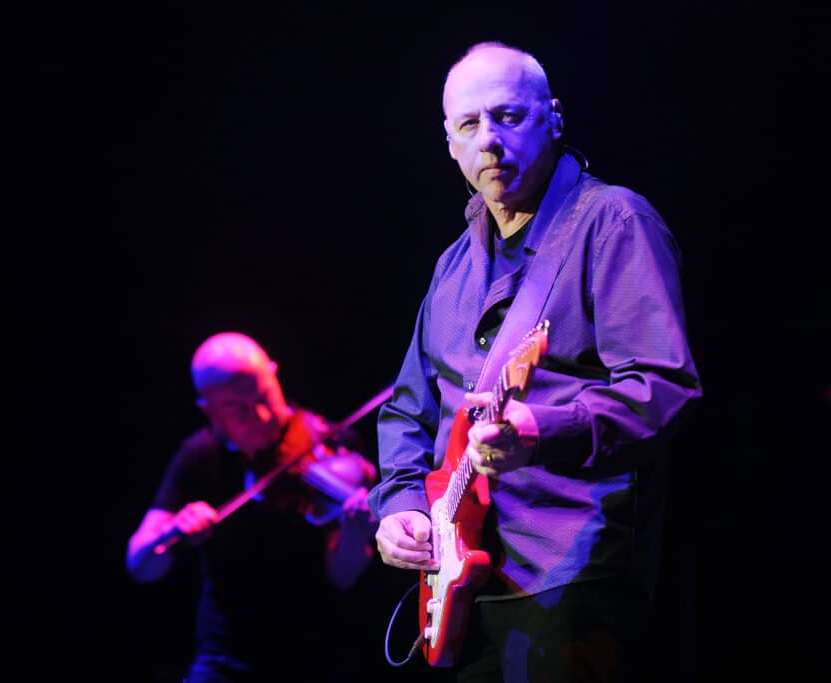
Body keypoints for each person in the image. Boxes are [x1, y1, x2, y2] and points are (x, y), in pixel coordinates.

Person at [369, 42, 702, 682]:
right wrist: (402, 506)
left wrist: (544, 430)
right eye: (470, 125)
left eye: (509, 117)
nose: (489, 140)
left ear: (553, 116)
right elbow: (408, 408)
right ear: (450, 144)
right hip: (461, 582)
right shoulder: (453, 268)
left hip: (570, 575)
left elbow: (664, 386)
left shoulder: (610, 222)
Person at [127, 331, 379, 682]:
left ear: (274, 374)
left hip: (317, 650)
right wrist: (172, 532)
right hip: (225, 656)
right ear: (209, 411)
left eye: (265, 397)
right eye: (238, 411)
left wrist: (355, 532)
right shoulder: (201, 455)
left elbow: (342, 577)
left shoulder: (335, 445)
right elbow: (139, 565)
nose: (261, 416)